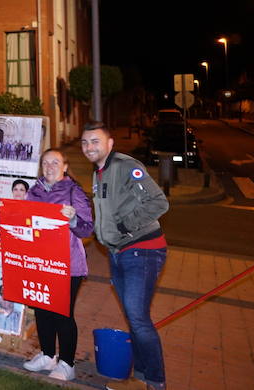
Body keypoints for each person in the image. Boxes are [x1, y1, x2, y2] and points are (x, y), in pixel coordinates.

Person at [81, 122, 169, 390]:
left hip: (142, 250)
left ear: (110, 144)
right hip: (119, 252)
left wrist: (122, 227)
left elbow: (158, 202)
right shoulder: (99, 172)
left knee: (139, 320)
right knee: (135, 318)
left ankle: (155, 382)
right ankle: (140, 379)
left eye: (95, 141)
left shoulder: (124, 166)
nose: (89, 147)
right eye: (84, 143)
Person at [21, 148, 93, 382]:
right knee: (41, 309)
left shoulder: (74, 192)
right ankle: (48, 355)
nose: (50, 167)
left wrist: (72, 218)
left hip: (68, 264)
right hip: (41, 262)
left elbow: (87, 228)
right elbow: (26, 224)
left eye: (55, 162)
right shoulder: (35, 191)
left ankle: (67, 363)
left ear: (64, 167)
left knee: (62, 313)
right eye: (46, 162)